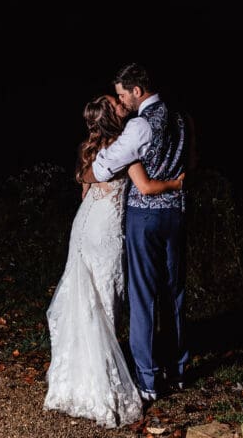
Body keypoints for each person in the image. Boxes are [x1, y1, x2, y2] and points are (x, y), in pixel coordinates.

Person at [43, 94, 184, 428]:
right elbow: (145, 187)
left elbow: (83, 188)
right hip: (106, 229)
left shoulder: (87, 149)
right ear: (112, 116)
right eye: (117, 104)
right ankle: (102, 376)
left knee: (83, 295)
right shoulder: (123, 149)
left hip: (84, 223)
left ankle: (74, 370)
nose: (123, 106)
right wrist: (176, 183)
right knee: (105, 300)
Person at [90, 63, 192, 403]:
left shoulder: (139, 126)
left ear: (138, 90)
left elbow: (102, 166)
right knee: (174, 293)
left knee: (144, 295)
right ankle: (177, 370)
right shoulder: (181, 118)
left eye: (123, 94)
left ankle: (148, 379)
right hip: (175, 214)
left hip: (144, 218)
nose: (122, 101)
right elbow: (193, 161)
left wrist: (101, 160)